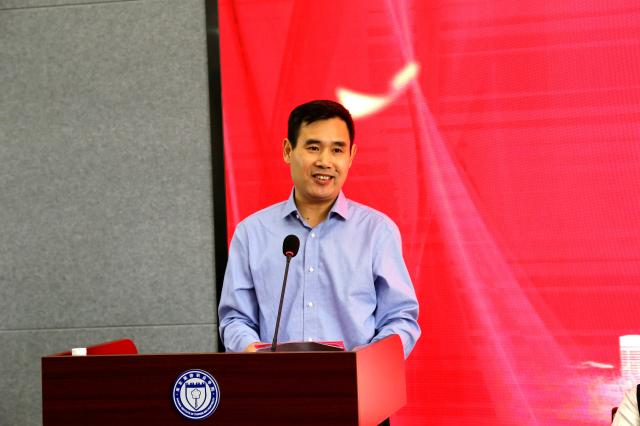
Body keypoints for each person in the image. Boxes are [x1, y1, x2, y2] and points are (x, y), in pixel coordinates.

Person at [218, 99, 421, 360]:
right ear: (288, 150)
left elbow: (400, 319)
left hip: (355, 382)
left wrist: (365, 361)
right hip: (276, 382)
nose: (325, 161)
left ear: (351, 156)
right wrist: (254, 354)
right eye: (313, 148)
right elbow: (235, 319)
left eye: (337, 150)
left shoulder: (377, 232)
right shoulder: (252, 233)